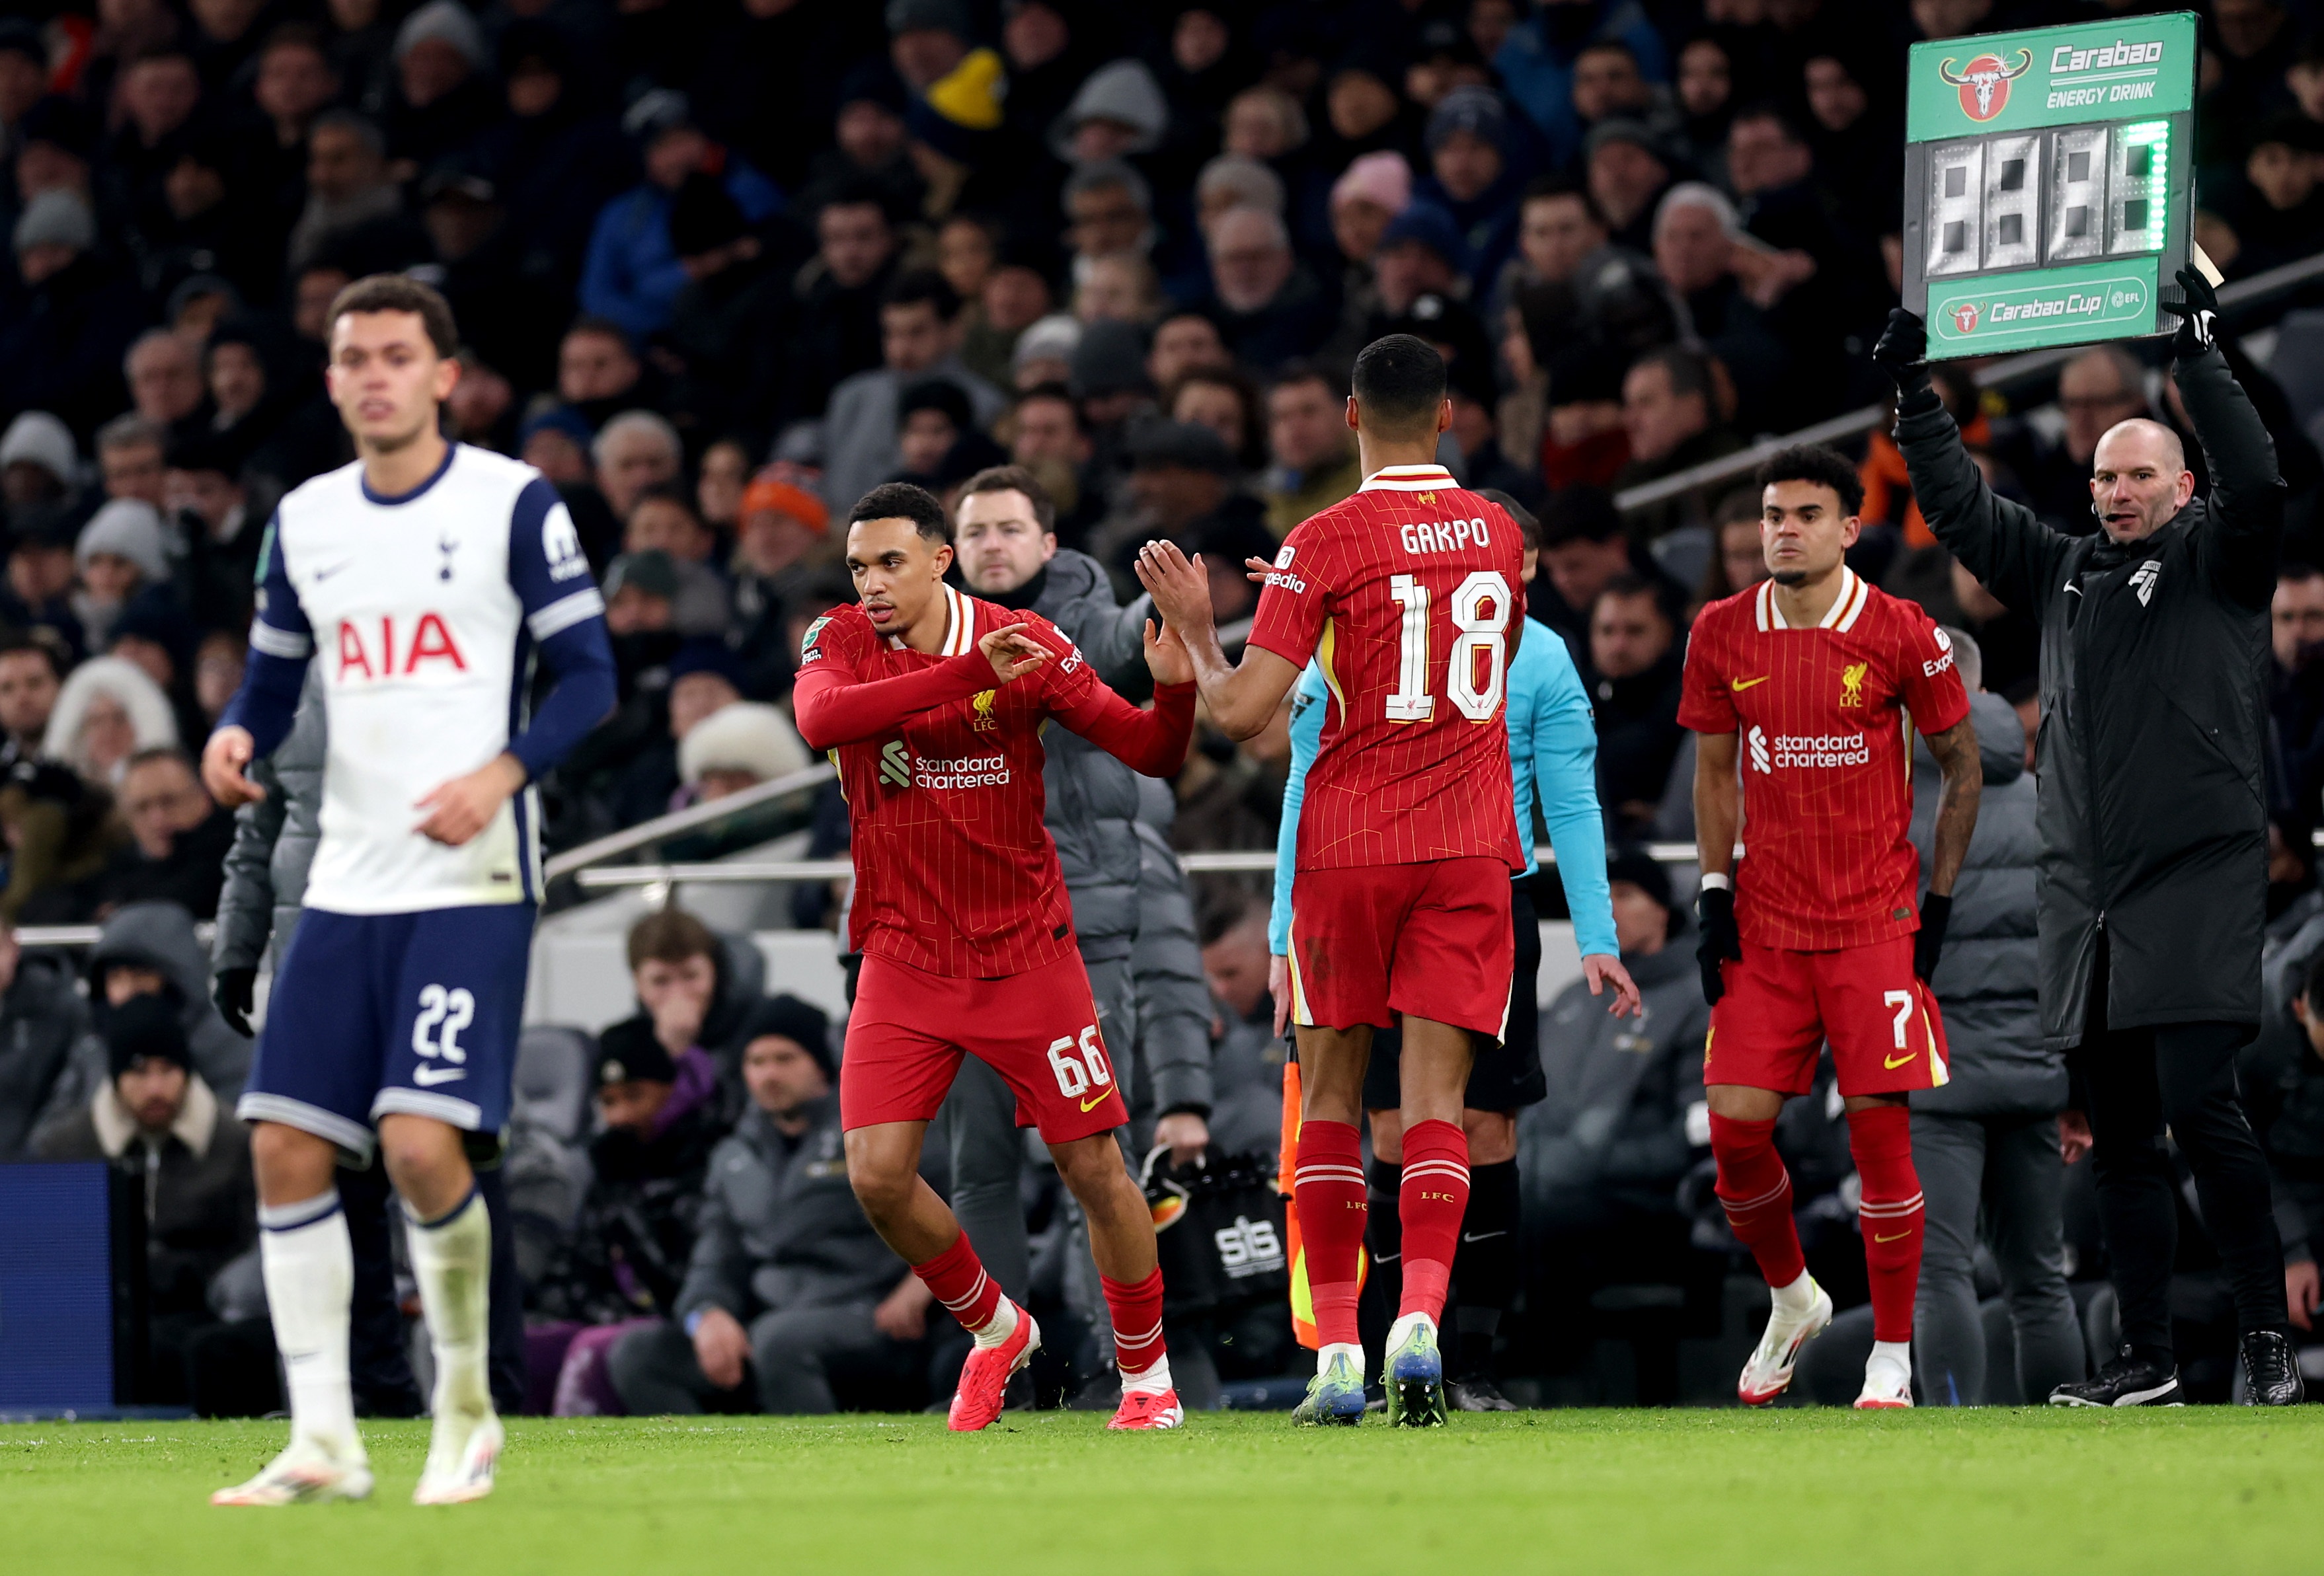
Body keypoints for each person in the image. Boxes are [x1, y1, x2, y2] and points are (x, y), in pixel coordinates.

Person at [198, 275, 617, 1505]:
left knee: (421, 1144)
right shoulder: (307, 519)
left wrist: (503, 772)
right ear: (331, 381)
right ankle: (324, 1438)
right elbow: (272, 683)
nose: (375, 376)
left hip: (471, 877)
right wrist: (233, 738)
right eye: (354, 359)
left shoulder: (511, 504)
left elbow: (589, 677)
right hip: (343, 879)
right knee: (282, 1147)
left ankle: (467, 1409)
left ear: (445, 375)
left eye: (397, 355)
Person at [1881, 276, 2310, 1408]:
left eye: (2138, 476)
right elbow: (1963, 514)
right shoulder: (2065, 573)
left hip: (2196, 879)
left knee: (2200, 1110)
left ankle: (2265, 1338)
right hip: (2088, 896)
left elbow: (2261, 476)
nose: (2117, 491)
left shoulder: (2223, 562)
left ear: (2178, 487)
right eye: (2104, 477)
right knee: (2119, 1137)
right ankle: (2148, 1358)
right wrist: (1914, 397)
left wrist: (2200, 355)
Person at [1138, 334, 1543, 1427]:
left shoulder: (1322, 538)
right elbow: (1415, 634)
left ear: (1352, 418)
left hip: (1347, 850)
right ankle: (1420, 1317)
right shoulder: (1501, 535)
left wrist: (1197, 629)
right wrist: (1314, 609)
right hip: (1466, 847)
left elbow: (1235, 713)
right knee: (1436, 1108)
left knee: (1327, 1103)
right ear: (1448, 416)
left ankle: (1338, 1361)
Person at [789, 480, 1197, 1431]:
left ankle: (1147, 1376)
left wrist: (1174, 685)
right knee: (877, 1173)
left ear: (941, 560)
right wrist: (970, 679)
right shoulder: (841, 638)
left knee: (1094, 1167)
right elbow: (821, 722)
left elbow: (1148, 751)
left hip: (1026, 951)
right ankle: (995, 1326)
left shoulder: (1031, 639)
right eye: (859, 566)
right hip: (903, 951)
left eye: (892, 562)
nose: (873, 584)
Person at [1266, 486, 1639, 1411]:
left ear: (1529, 566)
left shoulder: (1543, 658)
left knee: (1484, 1129)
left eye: (1515, 560)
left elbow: (1573, 799)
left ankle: (1466, 1354)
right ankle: (1406, 1335)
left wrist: (1595, 933)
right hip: (1400, 886)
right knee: (1397, 1126)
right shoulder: (1366, 630)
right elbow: (1298, 781)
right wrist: (1281, 934)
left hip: (1481, 892)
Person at [1679, 444, 1980, 1410]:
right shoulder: (1722, 633)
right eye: (1773, 516)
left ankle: (1890, 1353)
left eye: (1806, 514)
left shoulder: (1901, 632)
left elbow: (1962, 768)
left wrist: (1937, 906)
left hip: (1873, 922)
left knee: (1882, 1144)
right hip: (1766, 926)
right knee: (1734, 1134)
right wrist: (1713, 890)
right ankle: (1794, 1295)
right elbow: (1716, 773)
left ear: (1850, 528)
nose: (1784, 531)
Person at [948, 467, 1215, 1320]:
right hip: (963, 931)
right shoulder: (928, 632)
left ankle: (1125, 1363)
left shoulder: (1079, 616)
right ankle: (1001, 1366)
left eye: (1010, 529)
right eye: (978, 531)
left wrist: (1164, 610)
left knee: (1092, 1155)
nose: (993, 545)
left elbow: (1114, 644)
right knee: (977, 1164)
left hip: (1077, 931)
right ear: (953, 548)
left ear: (1049, 543)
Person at [1902, 630, 2086, 1407]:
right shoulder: (2054, 801)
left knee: (1938, 1268)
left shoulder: (1893, 802)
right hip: (2037, 1069)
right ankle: (2063, 1430)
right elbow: (2080, 948)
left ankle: (1950, 1428)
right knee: (2039, 1278)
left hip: (1934, 1071)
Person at [607, 1001, 921, 1416]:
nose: (769, 1074)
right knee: (638, 1353)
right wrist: (707, 1315)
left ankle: (820, 1472)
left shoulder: (872, 1132)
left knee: (780, 1341)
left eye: (785, 1059)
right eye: (756, 1061)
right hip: (769, 1317)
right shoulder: (735, 1155)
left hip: (867, 1312)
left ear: (822, 1065)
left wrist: (918, 1290)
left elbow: (956, 1214)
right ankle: (698, 1476)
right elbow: (715, 1258)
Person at [32, 993, 256, 1407]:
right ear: (116, 1078)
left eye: (168, 1069)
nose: (156, 1087)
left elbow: (250, 1245)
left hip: (207, 1312)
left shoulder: (232, 1143)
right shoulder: (69, 1147)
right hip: (100, 1318)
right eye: (138, 1071)